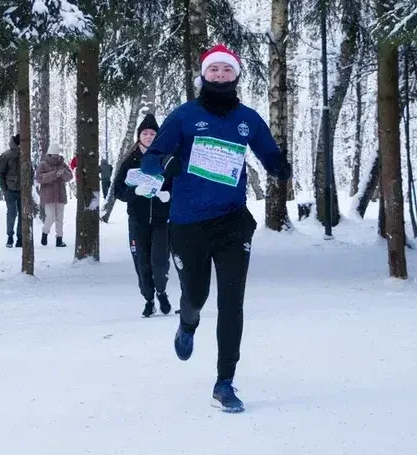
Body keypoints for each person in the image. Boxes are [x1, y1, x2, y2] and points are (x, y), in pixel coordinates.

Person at [140, 44, 290, 414]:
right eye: (214, 70)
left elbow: (267, 151)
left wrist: (279, 166)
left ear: (236, 75)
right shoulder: (185, 116)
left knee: (231, 302)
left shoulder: (248, 118)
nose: (220, 75)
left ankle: (224, 381)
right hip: (188, 223)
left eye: (227, 70)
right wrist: (169, 163)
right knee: (197, 295)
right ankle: (187, 322)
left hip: (232, 221)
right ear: (203, 76)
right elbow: (149, 161)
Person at [112, 113, 173, 318]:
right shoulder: (131, 160)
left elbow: (177, 184)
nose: (148, 136)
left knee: (160, 260)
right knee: (142, 262)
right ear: (139, 136)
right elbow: (118, 190)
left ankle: (162, 292)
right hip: (137, 220)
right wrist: (134, 193)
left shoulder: (164, 157)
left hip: (160, 220)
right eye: (145, 133)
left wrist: (168, 196)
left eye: (152, 133)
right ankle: (149, 299)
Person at [37, 144, 73, 247]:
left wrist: (63, 173)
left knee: (60, 218)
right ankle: (45, 232)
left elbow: (70, 176)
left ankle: (59, 239)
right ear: (49, 154)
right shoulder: (43, 164)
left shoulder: (62, 164)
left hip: (60, 194)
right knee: (51, 216)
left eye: (56, 155)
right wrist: (54, 174)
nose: (55, 157)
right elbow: (39, 178)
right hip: (48, 195)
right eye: (53, 155)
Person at [0, 135, 22, 247]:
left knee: (23, 215)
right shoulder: (6, 155)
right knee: (12, 214)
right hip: (10, 190)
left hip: (23, 190)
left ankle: (20, 238)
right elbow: (0, 173)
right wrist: (5, 189)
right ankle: (10, 236)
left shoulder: (25, 154)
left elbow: (30, 171)